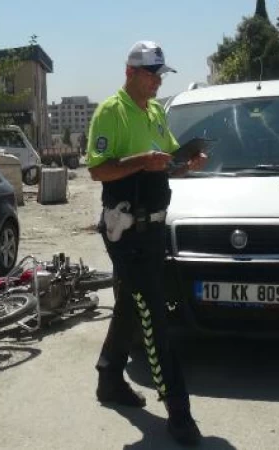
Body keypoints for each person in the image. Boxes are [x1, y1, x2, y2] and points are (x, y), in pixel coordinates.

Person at [86, 41, 207, 446]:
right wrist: (142, 160)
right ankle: (179, 411)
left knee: (130, 305)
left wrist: (185, 165)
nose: (158, 81)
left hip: (154, 229)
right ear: (131, 73)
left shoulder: (156, 111)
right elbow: (97, 171)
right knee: (154, 314)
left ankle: (108, 377)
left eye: (160, 75)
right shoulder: (110, 112)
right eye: (153, 74)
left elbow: (167, 161)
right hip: (125, 232)